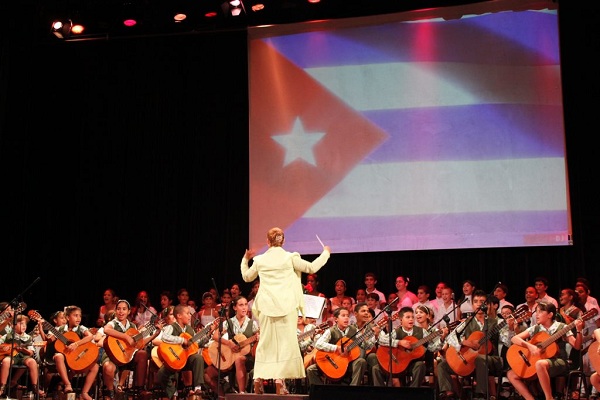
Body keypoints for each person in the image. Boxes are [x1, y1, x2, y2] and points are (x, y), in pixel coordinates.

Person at [240, 226, 331, 395]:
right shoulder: (290, 257)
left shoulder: (260, 260)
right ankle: (279, 382)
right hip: (286, 306)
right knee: (284, 344)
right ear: (283, 241)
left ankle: (258, 379)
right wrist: (325, 253)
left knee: (265, 343)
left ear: (268, 241)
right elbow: (311, 268)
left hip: (266, 306)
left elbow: (246, 277)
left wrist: (245, 259)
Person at [506, 302, 584, 400]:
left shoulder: (562, 327)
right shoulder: (536, 328)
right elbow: (514, 339)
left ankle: (549, 398)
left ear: (550, 315)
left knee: (540, 364)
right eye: (536, 311)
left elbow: (577, 346)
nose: (536, 315)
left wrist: (579, 331)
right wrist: (530, 346)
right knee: (511, 374)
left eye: (540, 311)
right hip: (539, 362)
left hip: (558, 361)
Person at [437, 290, 503, 400]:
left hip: (492, 359)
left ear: (487, 305)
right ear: (472, 305)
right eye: (475, 301)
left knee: (480, 358)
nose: (478, 304)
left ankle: (480, 395)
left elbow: (506, 340)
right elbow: (450, 337)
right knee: (442, 365)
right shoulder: (466, 322)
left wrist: (511, 328)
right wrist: (465, 342)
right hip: (470, 359)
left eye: (482, 301)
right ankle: (449, 394)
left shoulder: (496, 322)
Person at [101, 299, 162, 399]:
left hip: (127, 357)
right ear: (115, 311)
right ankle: (111, 392)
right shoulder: (113, 323)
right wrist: (126, 337)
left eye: (124, 309)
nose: (121, 311)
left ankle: (140, 389)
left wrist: (155, 334)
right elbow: (106, 330)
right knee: (108, 367)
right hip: (112, 355)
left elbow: (140, 343)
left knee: (142, 353)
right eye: (119, 309)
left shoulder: (132, 326)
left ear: (129, 311)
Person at [156, 304, 207, 399]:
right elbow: (165, 337)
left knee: (198, 358)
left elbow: (197, 344)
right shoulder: (172, 327)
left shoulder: (190, 329)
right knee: (161, 374)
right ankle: (173, 393)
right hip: (175, 359)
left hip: (186, 359)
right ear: (179, 316)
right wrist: (182, 340)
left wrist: (208, 334)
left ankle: (197, 388)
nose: (189, 316)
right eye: (187, 313)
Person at [210, 296, 259, 394]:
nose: (244, 307)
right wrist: (229, 343)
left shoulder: (252, 323)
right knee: (207, 374)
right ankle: (226, 394)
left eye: (246, 305)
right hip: (230, 357)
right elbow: (215, 336)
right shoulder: (228, 322)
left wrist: (258, 339)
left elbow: (258, 338)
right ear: (235, 307)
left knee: (239, 359)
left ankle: (242, 393)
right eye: (241, 305)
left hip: (247, 358)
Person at [306, 307, 367, 387]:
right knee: (311, 369)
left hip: (349, 363)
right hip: (332, 362)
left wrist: (374, 336)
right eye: (343, 315)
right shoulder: (330, 331)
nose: (346, 318)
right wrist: (336, 348)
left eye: (347, 316)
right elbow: (318, 344)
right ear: (336, 319)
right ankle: (321, 392)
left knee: (361, 361)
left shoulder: (355, 330)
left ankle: (353, 391)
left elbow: (365, 346)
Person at [372, 306, 429, 388]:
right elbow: (381, 340)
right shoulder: (396, 331)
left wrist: (441, 338)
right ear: (401, 319)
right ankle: (381, 393)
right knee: (376, 368)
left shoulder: (422, 331)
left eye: (412, 317)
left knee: (420, 365)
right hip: (397, 362)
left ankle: (413, 392)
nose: (411, 319)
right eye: (408, 317)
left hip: (412, 364)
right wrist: (399, 342)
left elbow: (432, 347)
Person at [50, 305, 99, 400]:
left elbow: (90, 336)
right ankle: (67, 384)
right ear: (68, 317)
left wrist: (76, 344)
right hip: (64, 358)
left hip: (76, 357)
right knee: (58, 356)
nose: (78, 318)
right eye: (75, 315)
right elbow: (49, 340)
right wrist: (41, 326)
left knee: (95, 366)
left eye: (80, 316)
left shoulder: (81, 328)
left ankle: (84, 393)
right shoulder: (60, 329)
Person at [0, 314, 44, 397]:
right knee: (6, 361)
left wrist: (23, 350)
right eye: (21, 324)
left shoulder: (28, 338)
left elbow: (31, 352)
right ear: (13, 326)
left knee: (32, 362)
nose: (24, 326)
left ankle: (35, 387)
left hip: (23, 356)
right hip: (12, 356)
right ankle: (2, 387)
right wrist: (4, 348)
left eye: (25, 324)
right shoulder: (7, 336)